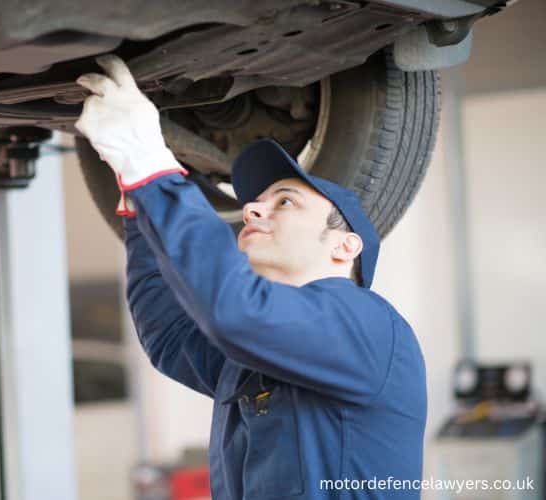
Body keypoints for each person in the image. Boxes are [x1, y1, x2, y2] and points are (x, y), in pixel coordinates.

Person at [75, 55, 427, 499]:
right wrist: (136, 193)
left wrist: (151, 164)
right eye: (258, 202)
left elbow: (234, 309)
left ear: (345, 245)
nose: (252, 210)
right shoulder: (259, 350)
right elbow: (169, 335)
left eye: (285, 202)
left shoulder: (367, 325)